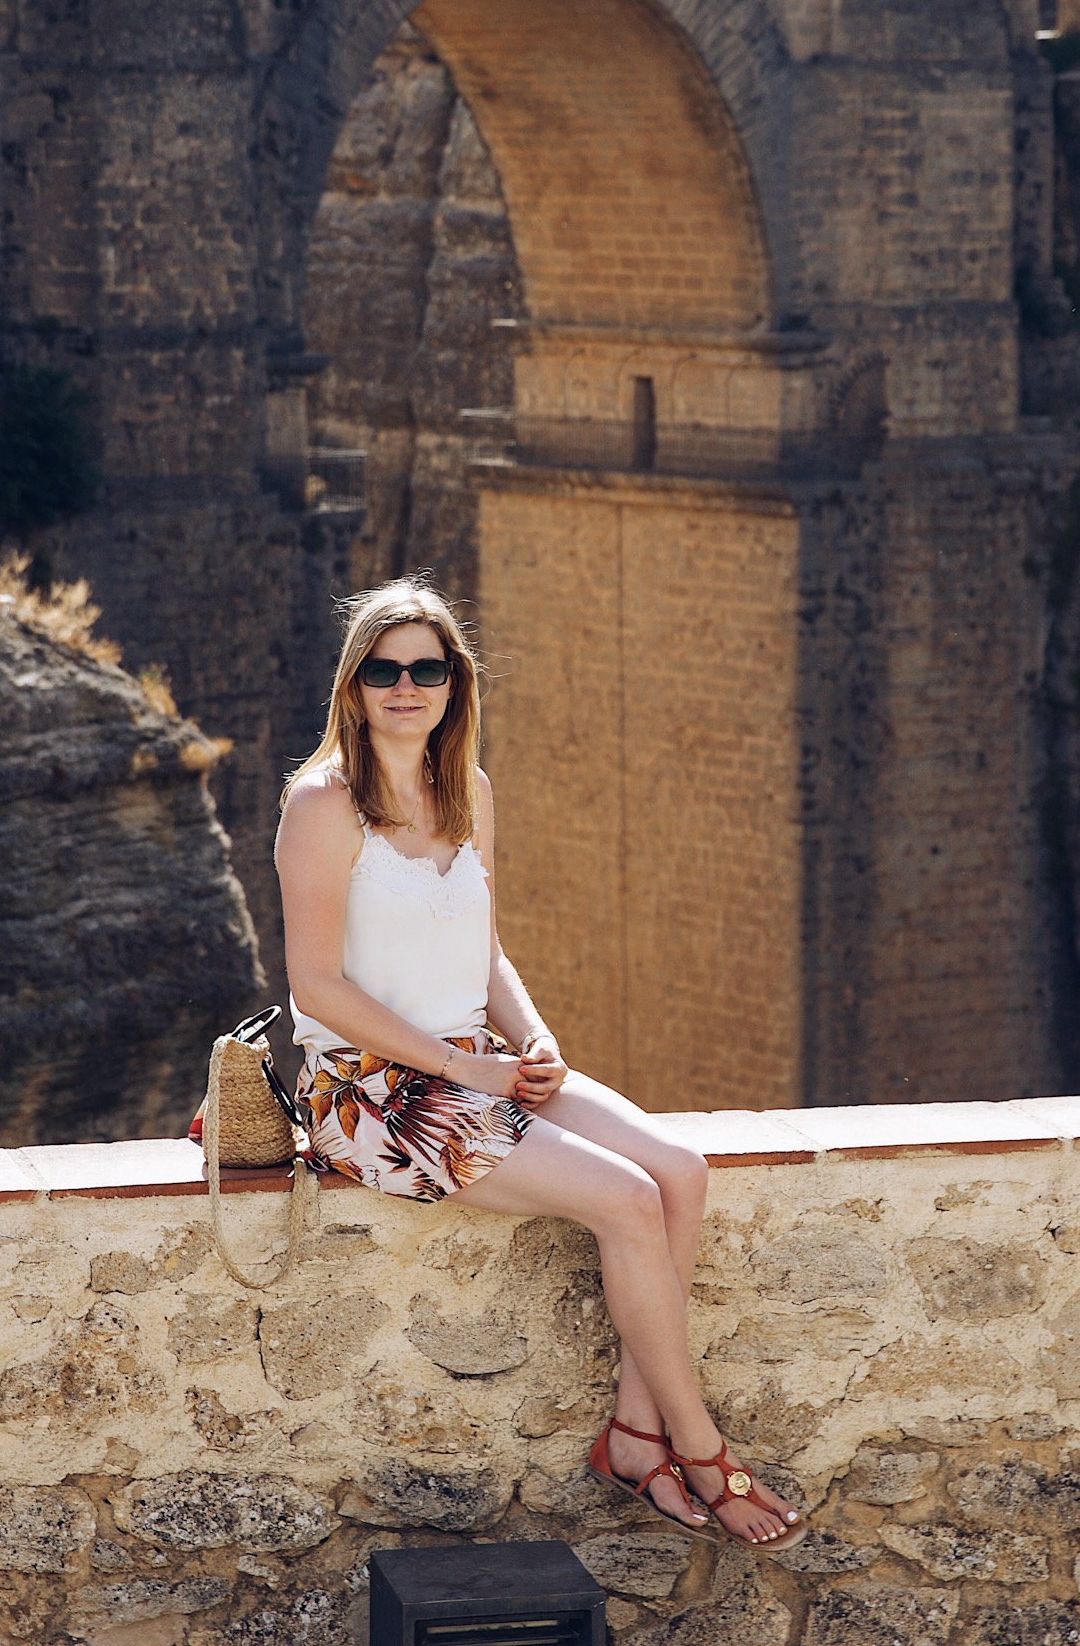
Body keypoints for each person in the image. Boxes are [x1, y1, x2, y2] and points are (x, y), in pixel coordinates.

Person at [274, 579, 805, 1549]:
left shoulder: (465, 788)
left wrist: (533, 1036)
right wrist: (456, 1066)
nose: (404, 685)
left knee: (679, 1173)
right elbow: (315, 987)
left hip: (473, 1062)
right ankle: (695, 1444)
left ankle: (632, 1436)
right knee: (627, 1198)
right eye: (383, 668)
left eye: (424, 667)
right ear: (353, 685)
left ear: (452, 682)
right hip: (371, 1093)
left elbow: (483, 947)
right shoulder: (322, 803)